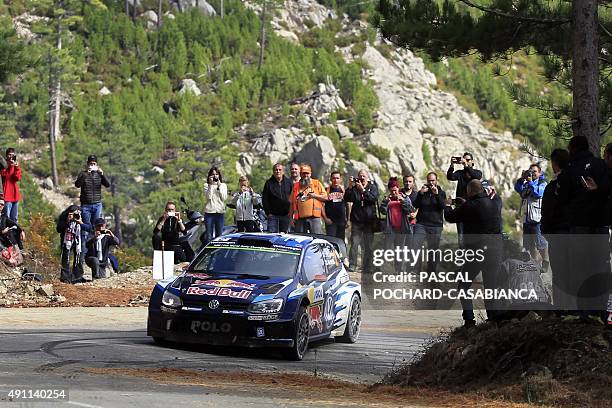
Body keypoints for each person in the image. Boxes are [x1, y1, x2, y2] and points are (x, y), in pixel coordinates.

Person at [556, 136, 610, 316]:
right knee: (600, 267)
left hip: (579, 226)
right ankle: (600, 311)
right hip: (601, 225)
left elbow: (562, 200)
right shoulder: (601, 165)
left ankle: (583, 313)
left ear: (572, 148)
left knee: (580, 269)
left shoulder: (570, 170)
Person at [444, 180, 502, 327]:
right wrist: (465, 204)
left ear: (470, 192)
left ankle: (469, 320)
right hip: (495, 250)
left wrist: (446, 205)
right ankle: (493, 319)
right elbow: (477, 210)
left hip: (477, 252)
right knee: (490, 286)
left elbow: (450, 217)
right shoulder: (494, 203)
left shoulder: (471, 206)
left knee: (463, 284)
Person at [541, 148, 571, 309]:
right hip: (577, 234)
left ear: (554, 163)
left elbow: (547, 212)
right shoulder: (578, 181)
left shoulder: (553, 186)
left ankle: (561, 309)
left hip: (558, 234)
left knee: (559, 274)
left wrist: (546, 231)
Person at [344, 169, 379, 272]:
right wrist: (350, 187)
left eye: (364, 176)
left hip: (369, 221)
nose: (362, 178)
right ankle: (352, 265)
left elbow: (374, 198)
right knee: (354, 243)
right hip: (357, 221)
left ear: (367, 177)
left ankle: (367, 267)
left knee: (368, 245)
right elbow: (347, 198)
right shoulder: (354, 188)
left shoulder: (372, 187)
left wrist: (363, 190)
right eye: (360, 176)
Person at [514, 163, 548, 264]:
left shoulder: (542, 183)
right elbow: (518, 188)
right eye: (531, 171)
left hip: (537, 218)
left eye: (535, 172)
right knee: (529, 244)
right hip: (527, 218)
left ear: (539, 173)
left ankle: (546, 261)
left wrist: (531, 182)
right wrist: (521, 179)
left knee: (540, 242)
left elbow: (538, 193)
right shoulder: (526, 184)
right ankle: (534, 263)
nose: (532, 173)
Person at [413, 172, 446, 274]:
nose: (431, 183)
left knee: (433, 250)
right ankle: (416, 270)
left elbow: (442, 206)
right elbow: (415, 204)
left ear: (436, 181)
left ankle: (431, 272)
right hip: (421, 224)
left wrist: (436, 195)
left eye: (433, 180)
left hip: (435, 225)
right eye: (429, 181)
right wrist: (420, 194)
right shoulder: (423, 191)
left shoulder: (441, 193)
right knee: (415, 245)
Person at [447, 152, 482, 245]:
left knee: (473, 234)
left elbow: (477, 176)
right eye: (464, 159)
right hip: (461, 207)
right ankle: (463, 256)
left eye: (468, 160)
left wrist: (466, 166)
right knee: (461, 235)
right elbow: (450, 177)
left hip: (473, 207)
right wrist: (451, 165)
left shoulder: (477, 173)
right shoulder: (460, 173)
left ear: (472, 161)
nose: (465, 161)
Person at [380, 178, 414, 270]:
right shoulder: (387, 199)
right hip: (390, 228)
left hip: (401, 228)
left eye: (395, 190)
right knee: (386, 249)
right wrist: (386, 202)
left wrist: (402, 201)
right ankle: (383, 269)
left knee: (399, 250)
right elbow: (383, 211)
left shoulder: (405, 198)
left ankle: (399, 270)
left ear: (398, 188)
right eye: (392, 191)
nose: (394, 192)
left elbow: (410, 210)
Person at [57, 205, 92, 284]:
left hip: (79, 239)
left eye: (75, 214)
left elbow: (90, 228)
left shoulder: (83, 214)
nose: (74, 216)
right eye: (72, 214)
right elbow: (58, 229)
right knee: (65, 258)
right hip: (67, 239)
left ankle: (77, 277)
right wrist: (67, 222)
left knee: (79, 257)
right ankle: (65, 277)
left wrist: (81, 223)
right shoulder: (64, 215)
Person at [75, 154, 110, 231]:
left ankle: (95, 242)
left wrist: (102, 175)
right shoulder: (83, 173)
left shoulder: (99, 174)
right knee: (86, 227)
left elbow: (107, 185)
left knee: (96, 227)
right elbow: (77, 185)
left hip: (97, 204)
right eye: (91, 164)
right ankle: (86, 243)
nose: (92, 165)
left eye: (94, 164)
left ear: (97, 165)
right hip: (86, 205)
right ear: (87, 164)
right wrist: (86, 174)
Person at [289, 164, 327, 234]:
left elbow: (325, 197)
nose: (305, 175)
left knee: (316, 238)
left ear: (310, 174)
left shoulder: (317, 183)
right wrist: (291, 218)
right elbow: (291, 203)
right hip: (300, 219)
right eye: (303, 173)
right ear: (300, 174)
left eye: (307, 173)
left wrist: (315, 196)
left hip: (314, 218)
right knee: (300, 240)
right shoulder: (296, 186)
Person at [262, 163, 293, 233]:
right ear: (273, 171)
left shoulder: (289, 182)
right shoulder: (268, 183)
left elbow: (293, 197)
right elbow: (265, 199)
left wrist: (292, 212)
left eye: (280, 170)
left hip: (286, 215)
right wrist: (268, 213)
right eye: (276, 170)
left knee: (285, 237)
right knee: (272, 236)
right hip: (273, 216)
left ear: (283, 171)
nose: (278, 171)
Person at [203, 166, 228, 243]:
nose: (215, 176)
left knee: (219, 236)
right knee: (209, 236)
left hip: (220, 213)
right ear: (209, 175)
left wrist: (219, 186)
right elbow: (208, 197)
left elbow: (224, 198)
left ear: (219, 175)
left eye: (216, 174)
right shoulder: (206, 185)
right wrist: (210, 185)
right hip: (209, 213)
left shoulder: (223, 185)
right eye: (213, 174)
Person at [324, 171, 348, 240]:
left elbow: (348, 205)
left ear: (340, 179)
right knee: (331, 241)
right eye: (334, 178)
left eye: (337, 178)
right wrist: (325, 218)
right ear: (331, 179)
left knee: (340, 241)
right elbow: (321, 205)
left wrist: (348, 219)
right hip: (330, 221)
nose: (335, 180)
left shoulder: (343, 190)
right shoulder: (326, 190)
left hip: (341, 221)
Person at [1, 148, 22, 222]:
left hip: (15, 195)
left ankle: (14, 232)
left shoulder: (15, 166)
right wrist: (10, 166)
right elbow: (4, 175)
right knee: (6, 217)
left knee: (14, 217)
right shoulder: (3, 165)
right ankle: (6, 232)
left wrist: (16, 167)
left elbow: (17, 178)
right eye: (9, 155)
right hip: (6, 195)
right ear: (6, 156)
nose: (11, 157)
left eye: (13, 155)